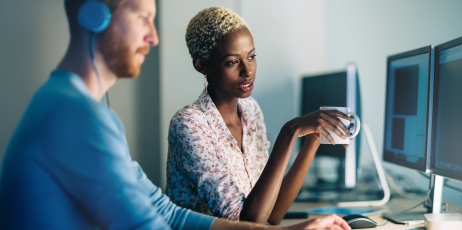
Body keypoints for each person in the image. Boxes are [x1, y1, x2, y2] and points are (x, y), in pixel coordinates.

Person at [0, 0, 349, 229]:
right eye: (142, 17)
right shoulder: (73, 117)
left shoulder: (80, 110)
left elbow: (166, 213)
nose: (153, 37)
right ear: (95, 15)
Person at [165, 7, 351, 225]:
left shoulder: (250, 110)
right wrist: (289, 133)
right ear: (201, 65)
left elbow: (273, 214)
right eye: (233, 62)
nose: (248, 70)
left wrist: (313, 141)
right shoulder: (189, 125)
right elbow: (247, 223)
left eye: (251, 57)